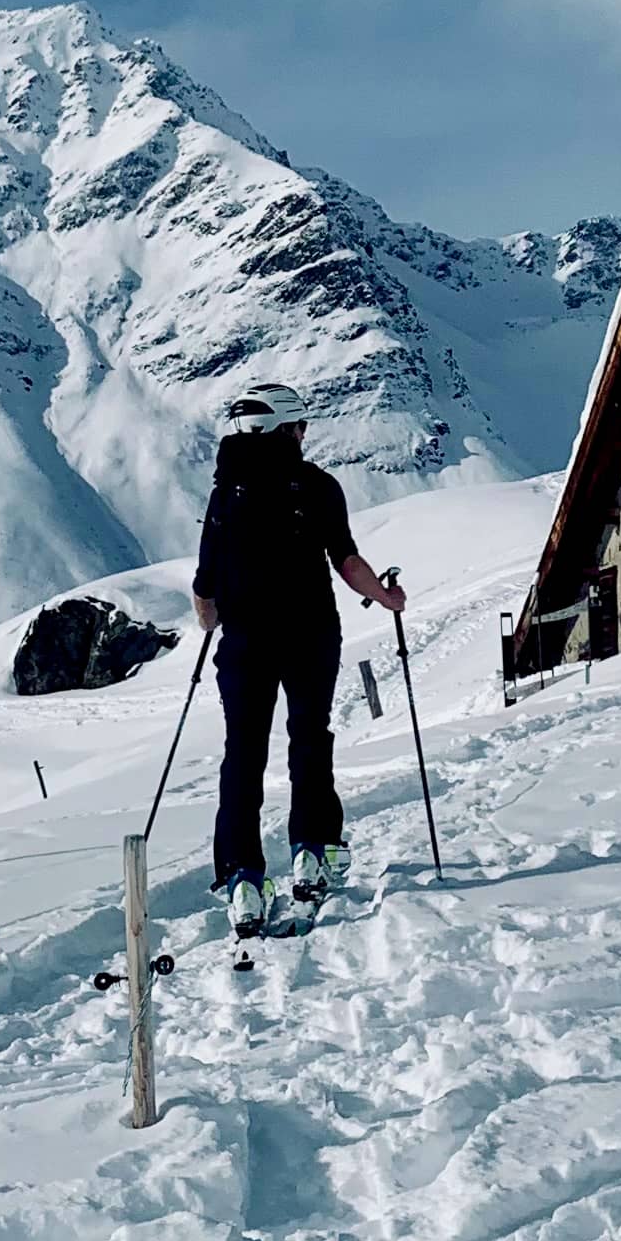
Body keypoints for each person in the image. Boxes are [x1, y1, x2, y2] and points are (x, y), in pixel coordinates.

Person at [193, 381, 407, 936]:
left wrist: (218, 620)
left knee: (243, 754)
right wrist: (386, 598)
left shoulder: (225, 492)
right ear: (285, 428)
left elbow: (205, 589)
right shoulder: (317, 485)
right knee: (309, 736)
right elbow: (347, 561)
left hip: (244, 643)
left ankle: (242, 876)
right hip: (311, 634)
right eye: (301, 425)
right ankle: (313, 849)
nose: (305, 434)